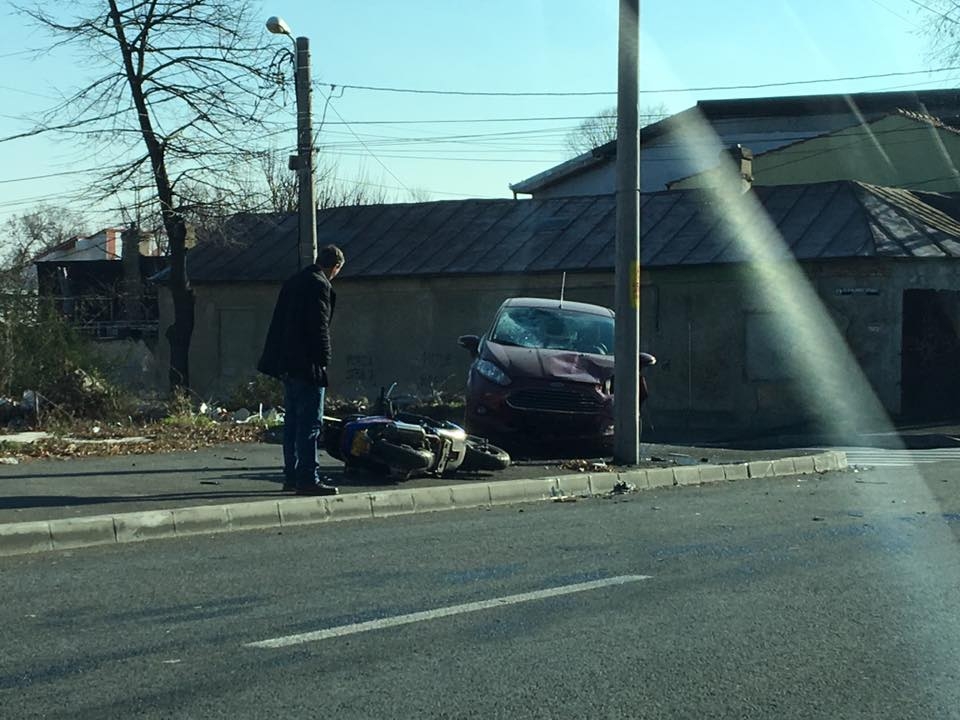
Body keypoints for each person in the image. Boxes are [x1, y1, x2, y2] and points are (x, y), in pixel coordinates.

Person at [257, 245, 345, 495]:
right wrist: (324, 359)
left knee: (293, 423)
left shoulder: (293, 282)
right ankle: (308, 477)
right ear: (335, 267)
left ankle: (292, 475)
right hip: (307, 364)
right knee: (310, 424)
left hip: (286, 363)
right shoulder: (319, 285)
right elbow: (319, 328)